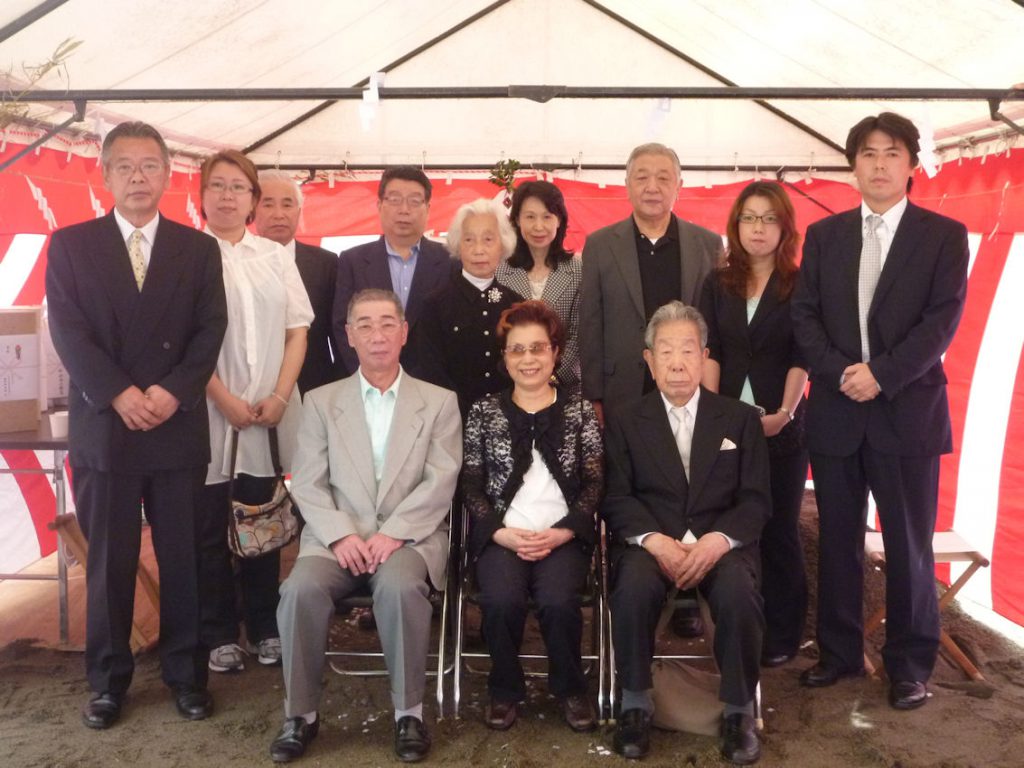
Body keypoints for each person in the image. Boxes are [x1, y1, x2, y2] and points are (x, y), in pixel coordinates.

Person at [45, 121, 227, 729]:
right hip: (107, 425)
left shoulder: (198, 249)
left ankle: (185, 673)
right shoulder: (71, 245)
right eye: (124, 166)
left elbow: (209, 331)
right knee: (109, 562)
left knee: (183, 558)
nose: (138, 177)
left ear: (169, 174)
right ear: (104, 175)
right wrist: (119, 393)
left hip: (175, 427)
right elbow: (69, 332)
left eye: (149, 165)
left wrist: (172, 393)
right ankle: (107, 679)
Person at [791, 112, 969, 710]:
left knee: (908, 546)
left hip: (906, 414)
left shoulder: (943, 235)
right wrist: (845, 373)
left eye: (892, 153)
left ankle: (910, 665)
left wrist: (882, 375)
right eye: (867, 154)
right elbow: (805, 318)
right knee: (838, 540)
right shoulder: (825, 236)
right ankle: (840, 655)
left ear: (912, 165)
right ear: (852, 166)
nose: (879, 164)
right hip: (838, 412)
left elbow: (940, 322)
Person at [269, 288, 462, 764]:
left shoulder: (439, 402)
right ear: (349, 336)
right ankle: (301, 716)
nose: (378, 336)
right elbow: (307, 481)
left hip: (407, 539)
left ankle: (408, 714)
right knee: (298, 591)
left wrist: (393, 533)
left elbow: (442, 480)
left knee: (398, 589)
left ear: (404, 332)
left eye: (387, 324)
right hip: (336, 540)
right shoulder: (320, 402)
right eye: (365, 326)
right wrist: (342, 534)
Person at [603, 301, 770, 765]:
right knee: (632, 587)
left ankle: (739, 711)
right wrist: (654, 540)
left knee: (739, 592)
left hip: (721, 544)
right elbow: (616, 496)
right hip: (652, 542)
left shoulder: (739, 418)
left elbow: (756, 499)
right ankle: (634, 701)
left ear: (704, 357)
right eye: (666, 351)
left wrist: (719, 541)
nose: (677, 362)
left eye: (688, 351)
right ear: (649, 359)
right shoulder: (623, 419)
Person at [580, 141, 722, 639]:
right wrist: (594, 395)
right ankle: (632, 578)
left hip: (688, 387)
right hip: (624, 391)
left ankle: (687, 592)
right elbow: (590, 322)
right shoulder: (601, 244)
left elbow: (716, 326)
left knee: (686, 482)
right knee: (631, 487)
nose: (653, 186)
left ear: (680, 185)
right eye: (642, 176)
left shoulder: (707, 244)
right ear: (627, 184)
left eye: (664, 176)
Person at [461, 300, 603, 733]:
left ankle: (571, 688)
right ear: (504, 356)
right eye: (517, 350)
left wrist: (563, 533)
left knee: (559, 602)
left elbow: (596, 482)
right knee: (500, 601)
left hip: (562, 535)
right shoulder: (484, 412)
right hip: (504, 535)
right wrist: (499, 533)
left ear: (555, 352)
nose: (528, 359)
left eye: (537, 348)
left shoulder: (579, 411)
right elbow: (470, 483)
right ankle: (504, 690)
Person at [197, 150, 313, 675]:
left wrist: (281, 395)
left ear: (251, 200)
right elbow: (180, 341)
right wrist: (221, 397)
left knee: (261, 520)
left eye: (238, 188)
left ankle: (265, 625)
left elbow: (297, 329)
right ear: (200, 195)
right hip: (204, 408)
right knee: (208, 524)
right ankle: (219, 630)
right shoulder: (185, 254)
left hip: (267, 410)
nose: (227, 196)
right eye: (217, 186)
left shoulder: (274, 255)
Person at [698, 181, 809, 667]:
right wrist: (714, 411)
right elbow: (711, 351)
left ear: (784, 227)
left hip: (781, 424)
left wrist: (783, 415)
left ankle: (784, 634)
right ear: (735, 225)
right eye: (749, 218)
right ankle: (734, 627)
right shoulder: (716, 283)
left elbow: (802, 356)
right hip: (727, 425)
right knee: (730, 527)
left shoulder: (801, 284)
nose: (758, 228)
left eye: (768, 218)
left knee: (780, 528)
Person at [331, 166, 452, 376]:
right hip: (367, 381)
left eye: (414, 201)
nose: (404, 210)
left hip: (432, 384)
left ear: (428, 208)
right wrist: (368, 375)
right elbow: (342, 324)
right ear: (379, 205)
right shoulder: (353, 261)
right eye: (394, 199)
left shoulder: (450, 261)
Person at [408, 197, 524, 417]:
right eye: (469, 240)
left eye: (488, 239)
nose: (478, 250)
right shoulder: (434, 305)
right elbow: (431, 373)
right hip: (452, 420)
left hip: (508, 419)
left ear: (503, 245)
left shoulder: (516, 304)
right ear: (457, 245)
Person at [254, 169, 343, 394]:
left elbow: (338, 334)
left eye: (287, 204)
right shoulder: (237, 262)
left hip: (313, 387)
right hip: (252, 388)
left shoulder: (326, 263)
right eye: (267, 204)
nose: (279, 214)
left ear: (299, 211)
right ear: (251, 209)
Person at [495, 180, 582, 390]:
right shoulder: (499, 269)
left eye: (547, 217)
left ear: (559, 220)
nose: (538, 226)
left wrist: (550, 375)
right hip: (510, 383)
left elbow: (578, 334)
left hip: (562, 384)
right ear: (516, 220)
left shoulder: (578, 270)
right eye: (530, 217)